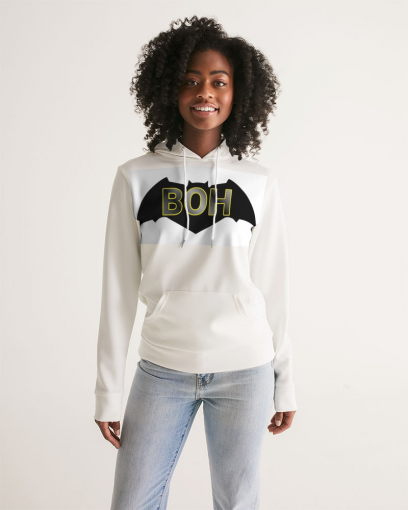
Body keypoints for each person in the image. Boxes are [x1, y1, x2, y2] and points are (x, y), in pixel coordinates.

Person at [94, 15, 297, 510]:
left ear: (238, 93)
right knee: (133, 501)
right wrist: (108, 392)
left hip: (244, 367)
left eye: (218, 82)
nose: (204, 92)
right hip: (162, 368)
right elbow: (117, 291)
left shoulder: (258, 182)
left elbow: (274, 286)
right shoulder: (135, 177)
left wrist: (285, 382)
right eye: (190, 80)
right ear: (169, 89)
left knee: (236, 502)